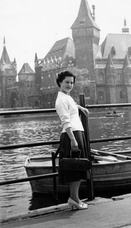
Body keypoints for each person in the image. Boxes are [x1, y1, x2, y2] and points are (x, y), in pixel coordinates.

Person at [55, 70, 89, 210]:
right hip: (71, 135)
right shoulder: (61, 99)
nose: (69, 85)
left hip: (76, 133)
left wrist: (79, 107)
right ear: (60, 83)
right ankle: (74, 199)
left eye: (71, 82)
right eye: (67, 82)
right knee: (75, 168)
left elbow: (71, 106)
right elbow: (65, 121)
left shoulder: (67, 97)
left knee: (78, 167)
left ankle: (75, 198)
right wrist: (73, 140)